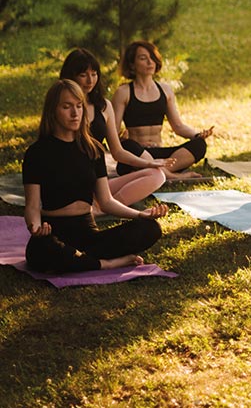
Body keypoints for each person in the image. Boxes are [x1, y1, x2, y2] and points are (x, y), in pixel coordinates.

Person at [23, 80, 167, 273]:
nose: (75, 113)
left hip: (89, 234)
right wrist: (36, 229)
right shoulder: (37, 153)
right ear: (52, 111)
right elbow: (32, 206)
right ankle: (106, 263)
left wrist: (141, 214)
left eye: (79, 106)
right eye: (66, 107)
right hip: (54, 233)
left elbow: (106, 201)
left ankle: (82, 260)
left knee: (150, 228)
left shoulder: (92, 149)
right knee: (41, 250)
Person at [60, 49, 172, 212]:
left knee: (156, 174)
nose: (90, 80)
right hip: (71, 181)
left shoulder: (104, 106)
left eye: (94, 73)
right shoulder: (61, 106)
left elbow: (118, 151)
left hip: (98, 182)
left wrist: (149, 163)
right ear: (71, 76)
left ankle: (103, 208)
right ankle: (100, 206)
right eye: (84, 75)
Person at [111, 41, 213, 179]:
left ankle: (155, 171)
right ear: (132, 64)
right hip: (138, 154)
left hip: (160, 153)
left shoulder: (165, 90)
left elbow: (178, 126)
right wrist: (122, 138)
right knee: (128, 146)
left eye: (152, 58)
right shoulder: (123, 92)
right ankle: (172, 176)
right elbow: (113, 131)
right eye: (143, 58)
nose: (150, 62)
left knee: (199, 145)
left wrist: (197, 135)